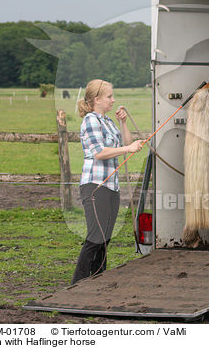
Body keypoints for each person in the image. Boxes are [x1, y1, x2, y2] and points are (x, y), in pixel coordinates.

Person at [71, 79, 145, 284]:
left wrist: (123, 122)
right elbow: (99, 153)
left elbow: (126, 143)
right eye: (109, 96)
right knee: (96, 236)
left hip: (111, 186)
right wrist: (127, 150)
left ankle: (97, 282)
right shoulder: (90, 120)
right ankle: (78, 283)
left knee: (105, 238)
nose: (113, 100)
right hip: (96, 185)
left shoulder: (108, 122)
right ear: (97, 99)